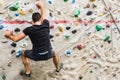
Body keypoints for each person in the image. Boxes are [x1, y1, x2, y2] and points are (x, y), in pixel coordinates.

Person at [5, 1, 62, 77]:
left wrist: (9, 35)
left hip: (36, 56)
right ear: (41, 19)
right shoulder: (46, 25)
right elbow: (44, 14)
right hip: (48, 54)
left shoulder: (29, 29)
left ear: (32, 21)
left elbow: (15, 39)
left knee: (23, 53)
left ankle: (28, 72)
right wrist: (41, 6)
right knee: (55, 53)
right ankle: (57, 68)